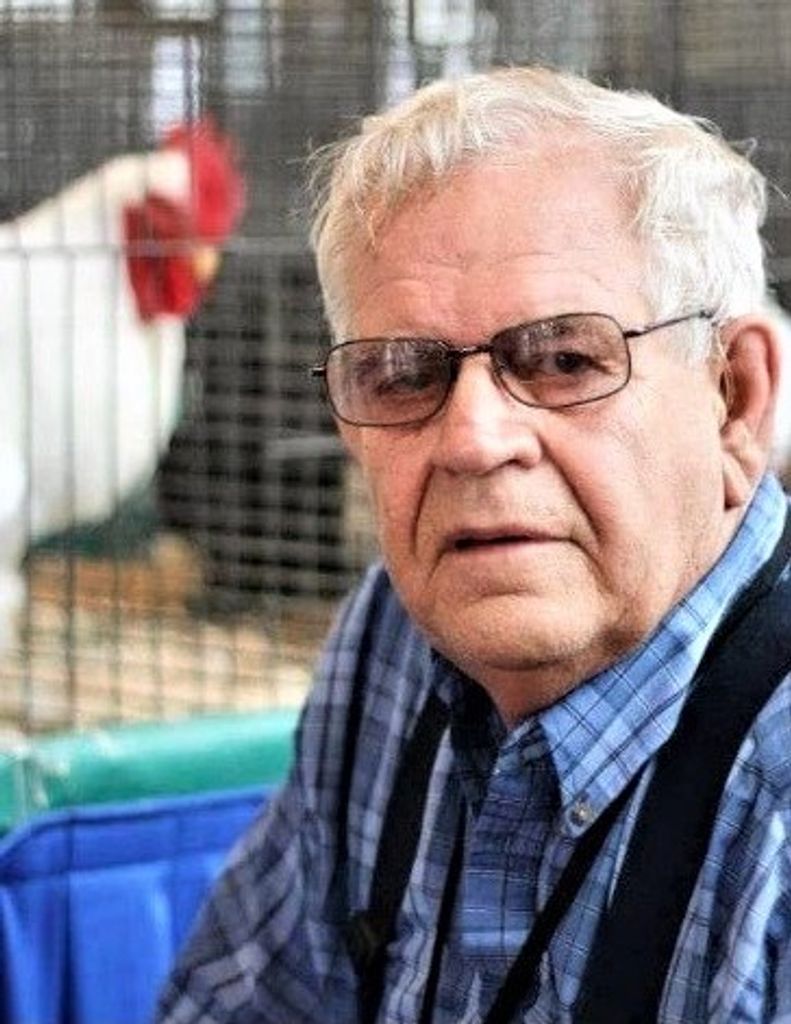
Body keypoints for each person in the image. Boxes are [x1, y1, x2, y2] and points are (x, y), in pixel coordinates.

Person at [156, 67, 791, 1023]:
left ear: (732, 399)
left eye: (565, 360)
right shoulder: (393, 634)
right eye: (402, 375)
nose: (471, 439)